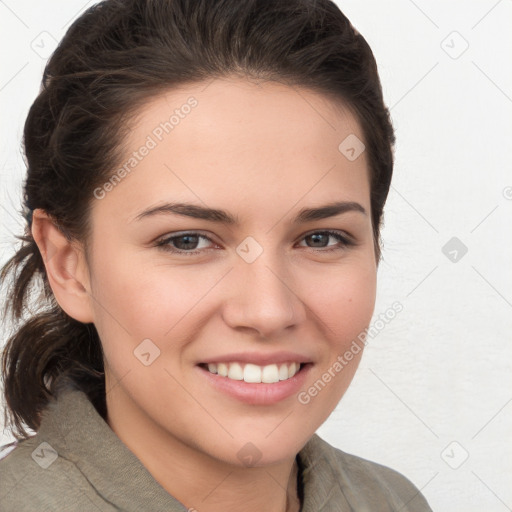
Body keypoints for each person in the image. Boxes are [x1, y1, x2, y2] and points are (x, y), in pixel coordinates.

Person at [0, 0, 432, 510]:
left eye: (321, 238)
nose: (268, 311)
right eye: (188, 240)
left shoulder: (392, 501)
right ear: (68, 265)